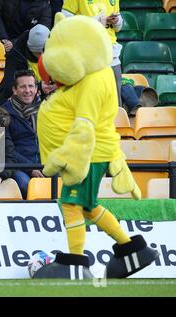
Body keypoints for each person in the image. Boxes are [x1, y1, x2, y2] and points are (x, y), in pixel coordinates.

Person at [35, 13, 158, 279]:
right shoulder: (97, 74)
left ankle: (76, 264)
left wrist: (68, 156)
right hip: (96, 152)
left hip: (88, 154)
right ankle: (130, 250)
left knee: (70, 204)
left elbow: (85, 124)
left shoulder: (94, 81)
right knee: (88, 206)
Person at [62, 0, 123, 108]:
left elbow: (118, 27)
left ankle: (117, 123)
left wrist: (117, 21)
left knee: (115, 97)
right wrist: (96, 21)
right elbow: (65, 21)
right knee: (90, 96)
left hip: (111, 51)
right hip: (88, 52)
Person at [1, 70, 45, 199]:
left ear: (36, 89)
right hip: (19, 166)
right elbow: (5, 148)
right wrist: (30, 168)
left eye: (31, 86)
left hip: (46, 163)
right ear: (14, 90)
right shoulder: (3, 112)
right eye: (23, 86)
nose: (28, 90)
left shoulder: (46, 109)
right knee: (25, 184)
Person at [0, 24, 50, 106]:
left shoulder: (56, 57)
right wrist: (39, 87)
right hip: (20, 102)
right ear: (29, 48)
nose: (41, 56)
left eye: (43, 52)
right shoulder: (16, 57)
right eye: (37, 53)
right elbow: (10, 87)